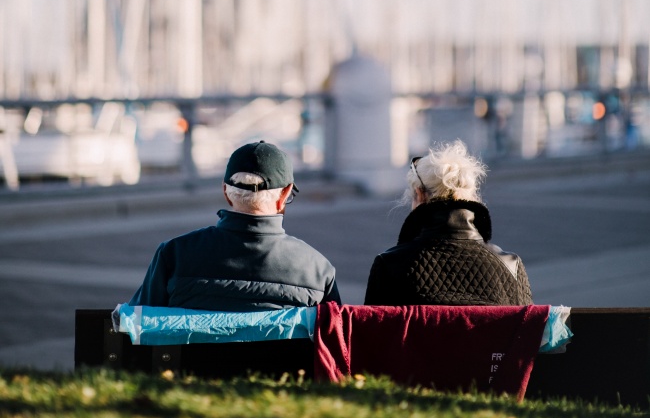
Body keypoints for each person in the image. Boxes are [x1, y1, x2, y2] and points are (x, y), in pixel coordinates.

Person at [128, 140, 341, 310]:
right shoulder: (318, 269)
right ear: (283, 195)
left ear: (226, 192)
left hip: (193, 365)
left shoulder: (174, 255)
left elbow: (139, 321)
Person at [364, 139, 532, 306]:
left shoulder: (389, 266)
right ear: (471, 196)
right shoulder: (510, 266)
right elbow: (531, 329)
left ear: (420, 195)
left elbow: (371, 331)